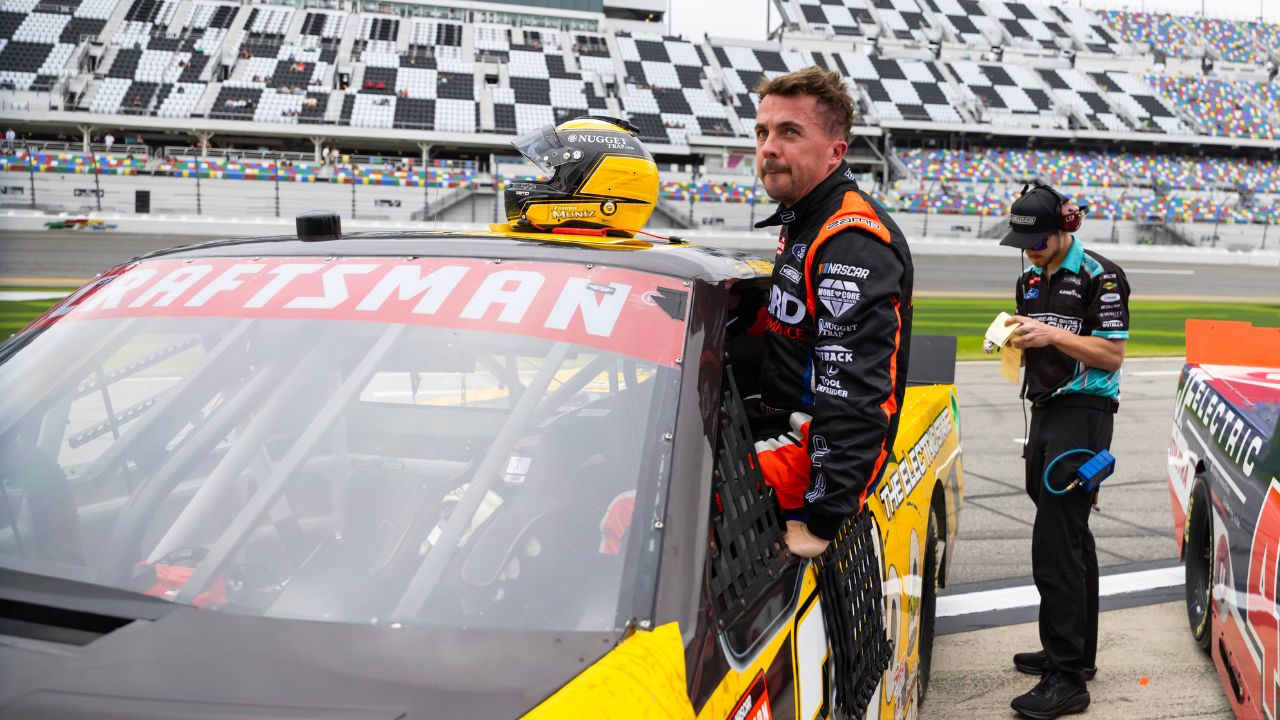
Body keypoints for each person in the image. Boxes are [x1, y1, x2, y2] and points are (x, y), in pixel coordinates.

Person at [750, 67, 913, 558]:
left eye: (789, 132)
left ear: (835, 151)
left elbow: (857, 399)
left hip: (803, 468)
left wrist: (820, 521)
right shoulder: (806, 217)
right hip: (782, 438)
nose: (768, 147)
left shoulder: (848, 238)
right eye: (762, 132)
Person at [1000, 185, 1130, 720]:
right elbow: (1036, 339)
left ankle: (1066, 677)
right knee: (1070, 532)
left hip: (1085, 413)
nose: (1029, 248)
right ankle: (1077, 652)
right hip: (1046, 409)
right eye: (1022, 239)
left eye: (1037, 238)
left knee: (1054, 542)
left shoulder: (1102, 275)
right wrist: (1012, 338)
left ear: (1064, 229)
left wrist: (1050, 334)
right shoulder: (1029, 277)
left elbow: (1112, 354)